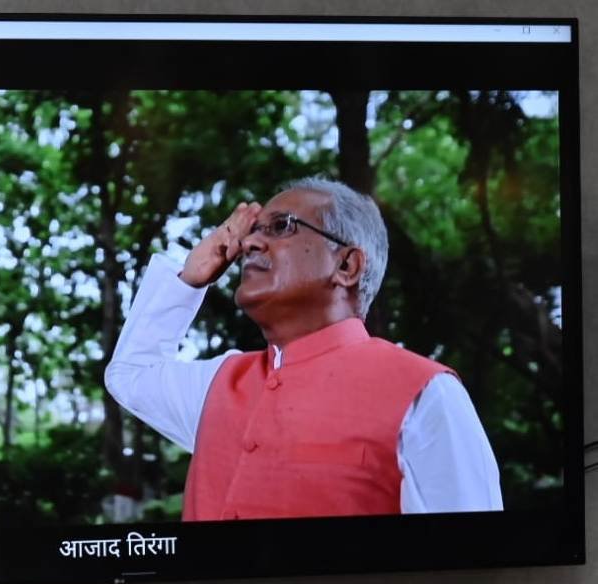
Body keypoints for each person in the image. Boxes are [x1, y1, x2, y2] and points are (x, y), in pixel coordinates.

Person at [104, 177, 503, 521]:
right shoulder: (218, 385)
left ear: (346, 266)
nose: (249, 243)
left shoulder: (426, 395)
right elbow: (130, 374)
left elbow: (471, 563)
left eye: (281, 226)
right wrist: (189, 280)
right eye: (252, 231)